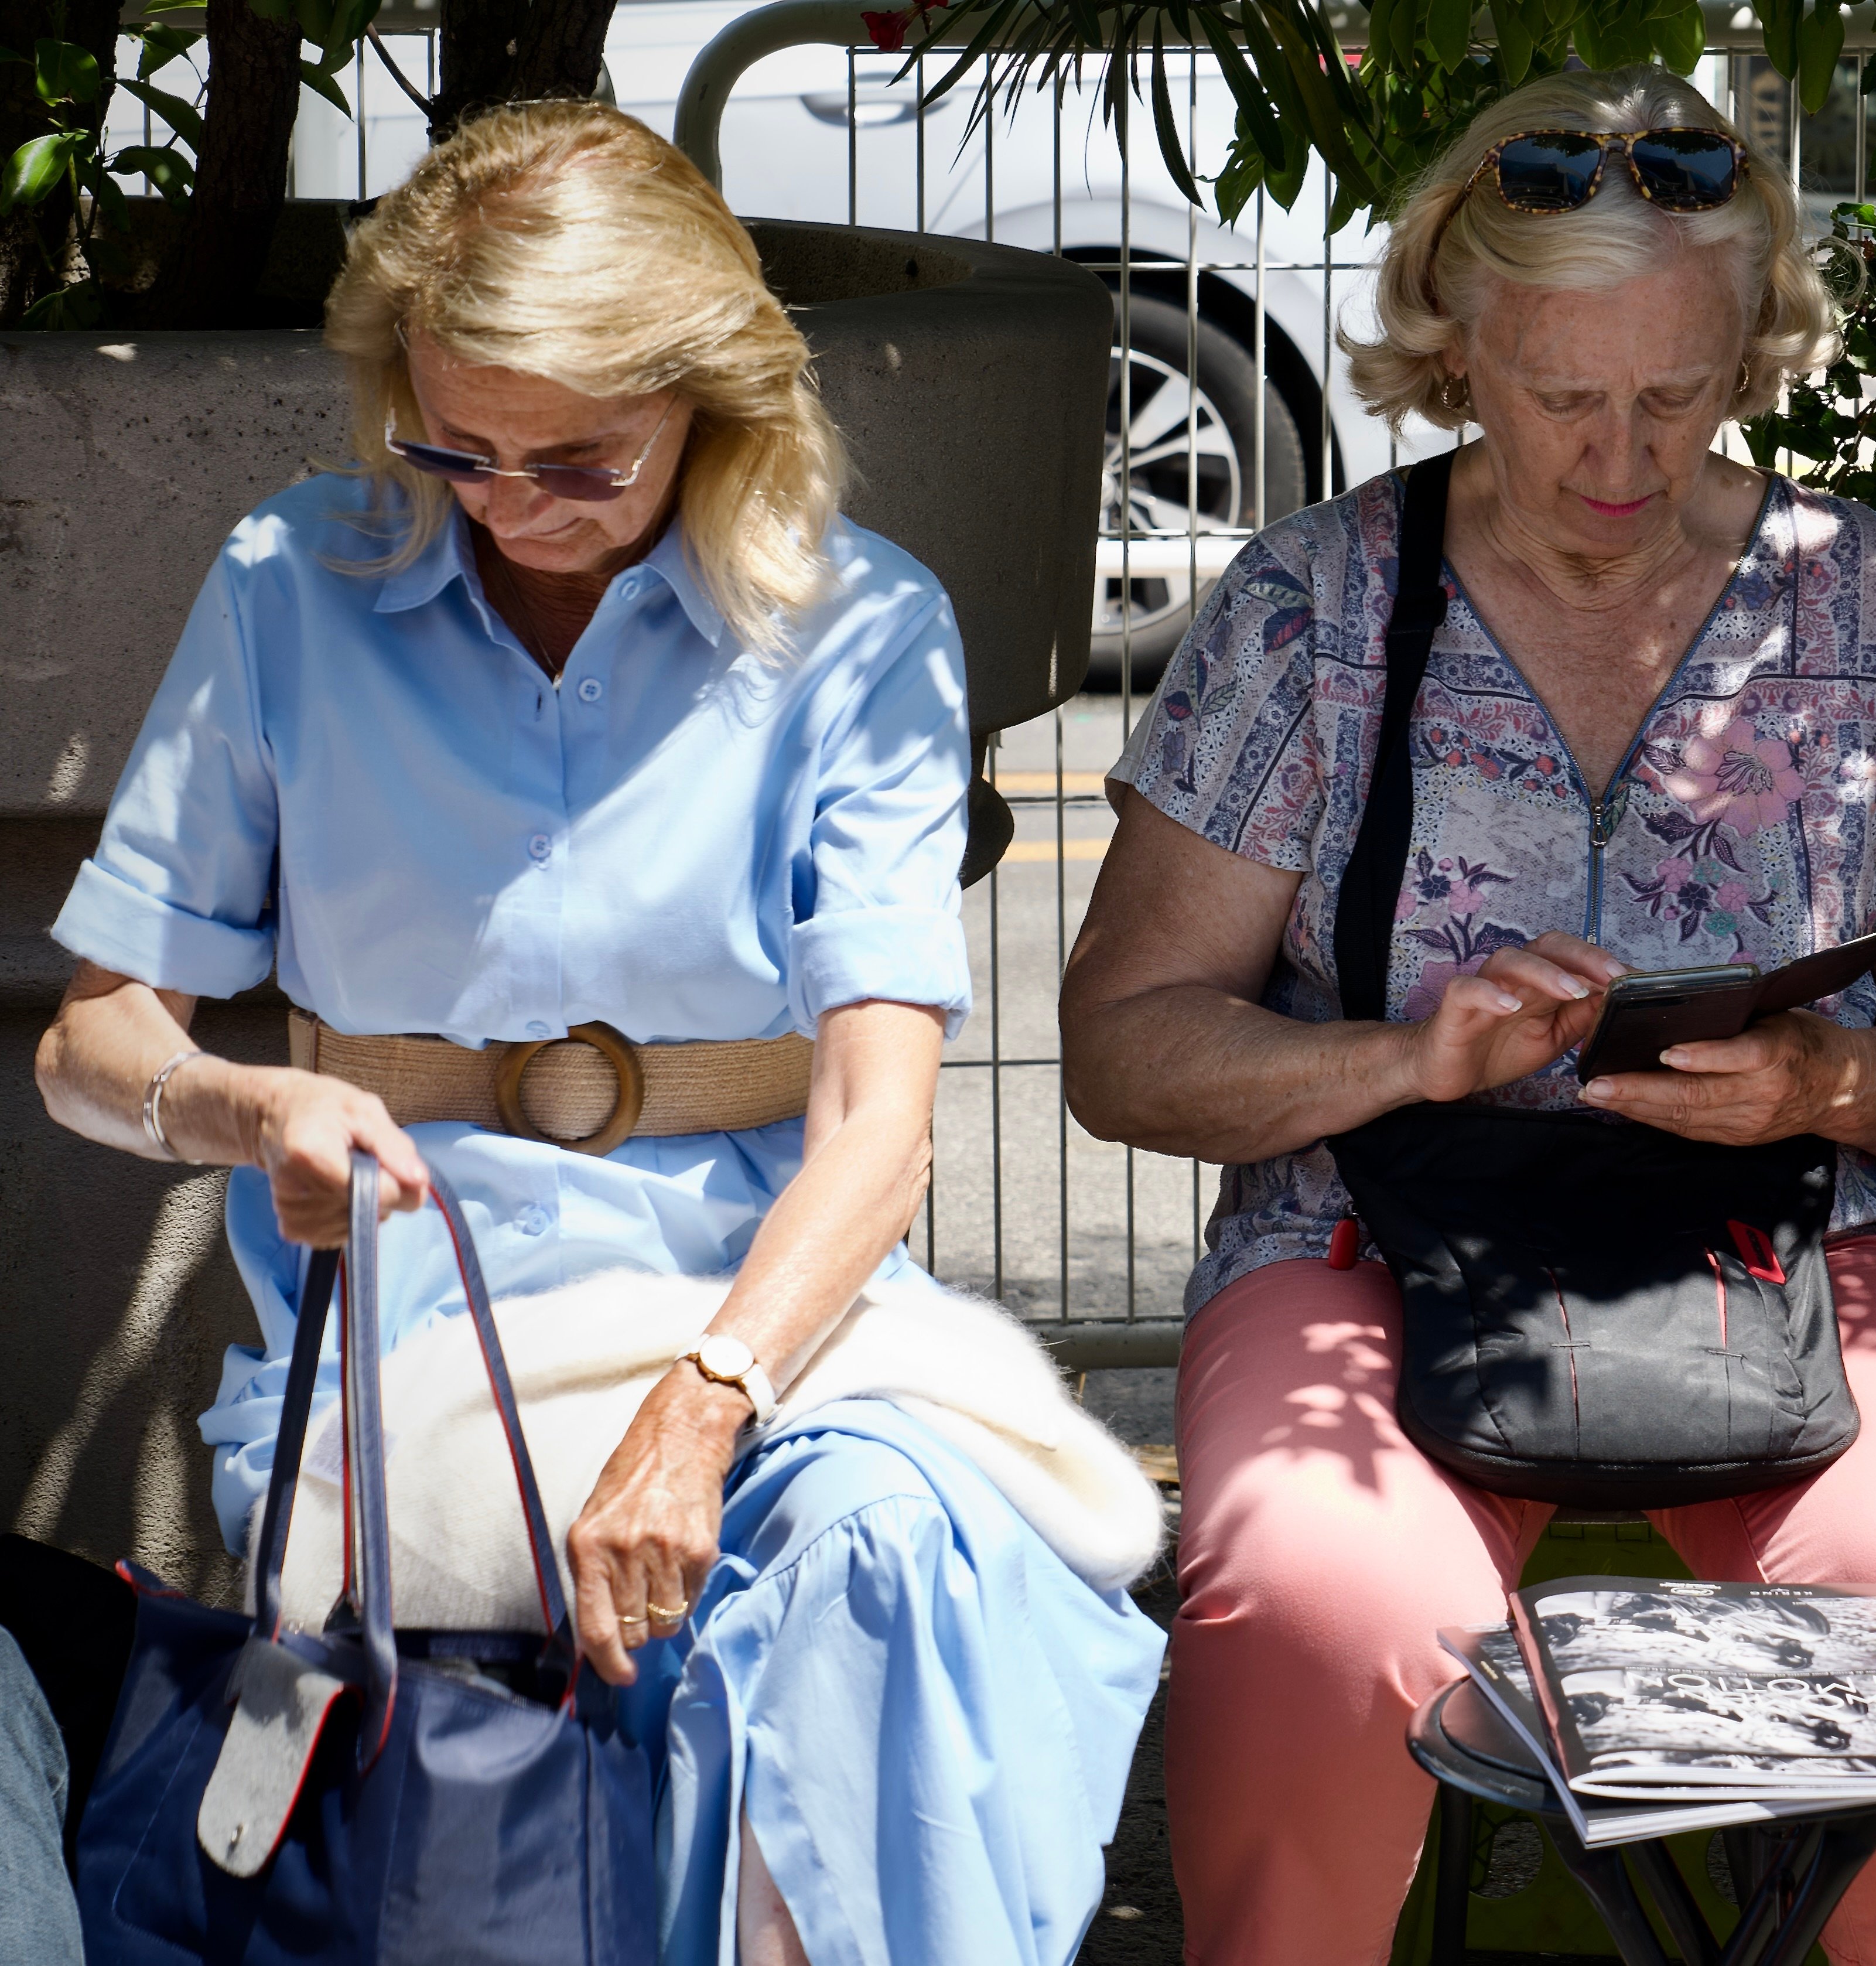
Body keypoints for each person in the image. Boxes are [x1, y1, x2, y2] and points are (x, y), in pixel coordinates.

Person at [28, 102, 1162, 1965]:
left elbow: (882, 1125)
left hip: (760, 1321)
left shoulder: (861, 629)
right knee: (800, 1608)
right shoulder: (290, 586)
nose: (508, 498)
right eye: (452, 443)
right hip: (410, 1339)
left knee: (884, 1557)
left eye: (578, 457)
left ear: (711, 399)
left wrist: (710, 1401)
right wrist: (243, 1106)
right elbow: (94, 1039)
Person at [1057, 64, 1876, 1966]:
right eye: (1562, 396)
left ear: (1751, 354)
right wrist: (1405, 1055)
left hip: (1798, 1240)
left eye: (1676, 396)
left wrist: (1837, 1075)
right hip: (1372, 1230)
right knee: (1318, 1597)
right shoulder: (1321, 610)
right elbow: (1121, 1039)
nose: (1624, 455)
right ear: (1453, 351)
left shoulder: (1856, 605)